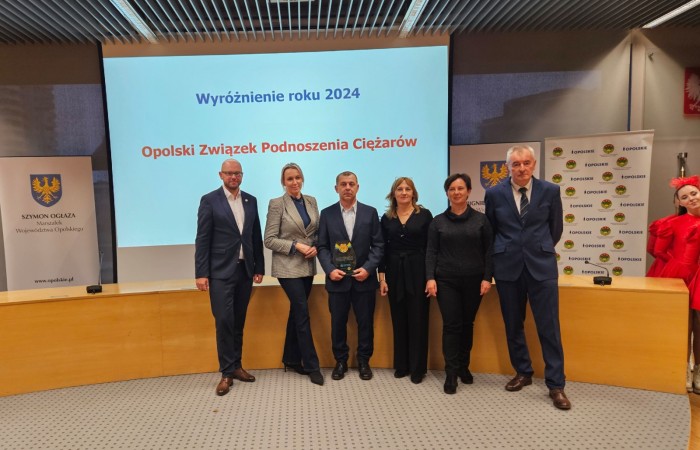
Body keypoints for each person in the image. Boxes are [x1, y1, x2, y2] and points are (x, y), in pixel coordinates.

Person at [484, 144, 571, 410]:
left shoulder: (550, 190)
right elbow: (491, 231)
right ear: (507, 167)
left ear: (534, 164)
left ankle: (556, 385)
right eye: (516, 164)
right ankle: (523, 371)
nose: (521, 168)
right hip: (507, 267)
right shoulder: (494, 194)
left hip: (541, 266)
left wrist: (538, 247)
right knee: (513, 324)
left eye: (526, 163)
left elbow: (555, 228)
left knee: (549, 327)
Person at [195, 158, 264, 396]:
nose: (233, 177)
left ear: (242, 175)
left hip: (245, 271)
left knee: (238, 321)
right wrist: (201, 273)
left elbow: (255, 236)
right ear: (221, 175)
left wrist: (259, 266)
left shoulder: (250, 200)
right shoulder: (209, 200)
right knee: (224, 321)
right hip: (220, 272)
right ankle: (226, 372)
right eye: (229, 173)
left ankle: (236, 366)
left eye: (237, 173)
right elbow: (202, 238)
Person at [425, 174, 493, 394]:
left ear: (469, 191)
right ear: (447, 193)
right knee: (452, 325)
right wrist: (430, 278)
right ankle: (451, 373)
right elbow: (431, 252)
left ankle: (464, 366)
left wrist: (487, 277)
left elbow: (489, 251)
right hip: (446, 281)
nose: (456, 192)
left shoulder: (481, 220)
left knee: (467, 325)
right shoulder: (438, 221)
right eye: (452, 189)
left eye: (460, 188)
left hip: (475, 280)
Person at [317, 171, 384, 381]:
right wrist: (329, 269)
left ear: (357, 187)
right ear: (336, 188)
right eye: (343, 184)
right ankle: (340, 362)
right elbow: (322, 246)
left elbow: (379, 245)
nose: (347, 187)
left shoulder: (370, 213)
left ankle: (364, 361)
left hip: (364, 279)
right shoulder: (326, 214)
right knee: (338, 323)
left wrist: (368, 268)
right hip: (337, 280)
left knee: (365, 323)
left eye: (351, 184)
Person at [264, 163, 324, 386]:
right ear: (283, 182)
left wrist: (316, 246)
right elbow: (269, 239)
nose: (294, 182)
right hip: (287, 267)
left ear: (302, 178)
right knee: (302, 312)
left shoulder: (311, 201)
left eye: (297, 177)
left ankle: (290, 358)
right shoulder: (277, 204)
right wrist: (296, 246)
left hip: (307, 266)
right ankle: (312, 366)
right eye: (290, 179)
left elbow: (317, 232)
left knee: (296, 312)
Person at [379, 177, 433, 384]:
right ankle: (401, 365)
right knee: (398, 318)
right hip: (394, 273)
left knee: (418, 319)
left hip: (418, 271)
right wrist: (382, 278)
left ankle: (418, 368)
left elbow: (431, 248)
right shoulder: (386, 218)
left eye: (407, 189)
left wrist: (430, 277)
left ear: (413, 193)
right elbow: (383, 250)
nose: (403, 192)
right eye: (399, 189)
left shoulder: (424, 215)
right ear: (393, 194)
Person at [650, 176, 700, 393]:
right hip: (681, 276)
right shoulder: (673, 223)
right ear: (679, 202)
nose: (691, 199)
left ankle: (698, 370)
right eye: (685, 197)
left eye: (694, 193)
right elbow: (657, 250)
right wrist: (679, 264)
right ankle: (681, 368)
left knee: (699, 325)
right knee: (682, 324)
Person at [647, 195, 685, 277]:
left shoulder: (665, 222)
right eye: (684, 197)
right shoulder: (665, 223)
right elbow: (653, 250)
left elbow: (651, 249)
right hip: (668, 268)